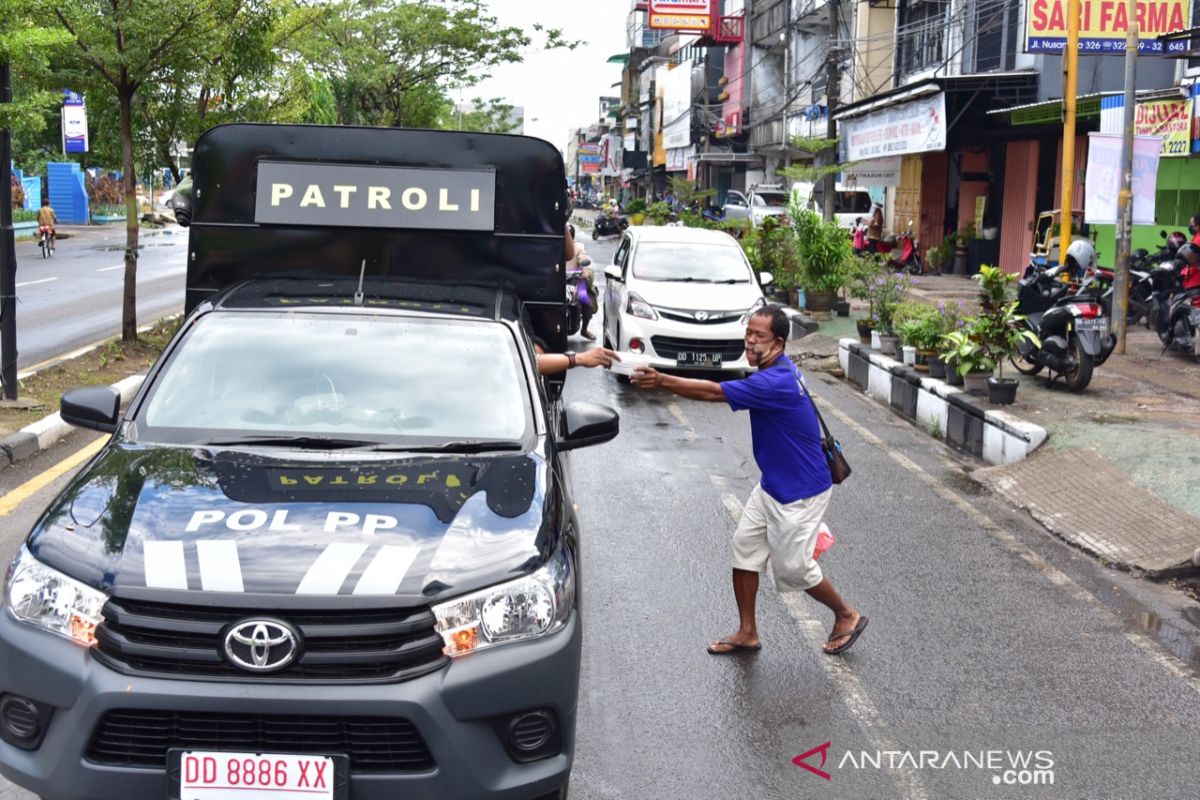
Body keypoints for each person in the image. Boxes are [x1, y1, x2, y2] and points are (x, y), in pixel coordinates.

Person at [629, 305, 867, 656]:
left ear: (780, 343)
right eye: (748, 334)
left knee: (794, 569)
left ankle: (846, 615)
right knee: (745, 550)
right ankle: (747, 631)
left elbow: (714, 392)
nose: (750, 342)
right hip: (774, 484)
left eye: (759, 337)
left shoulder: (775, 381)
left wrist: (662, 380)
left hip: (799, 491)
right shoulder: (779, 369)